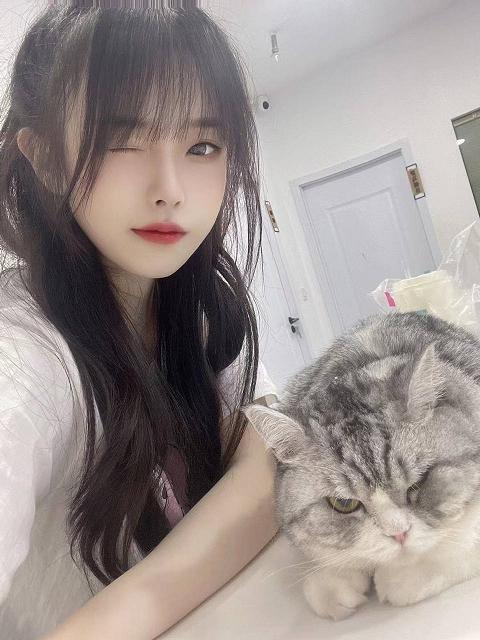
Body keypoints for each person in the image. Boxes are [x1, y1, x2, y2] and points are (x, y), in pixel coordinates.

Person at [0, 1, 280, 638]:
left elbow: (273, 445)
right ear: (43, 157)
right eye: (121, 140)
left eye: (202, 145)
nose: (170, 188)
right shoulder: (24, 352)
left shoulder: (195, 309)